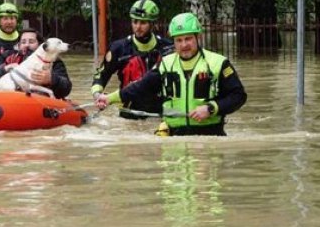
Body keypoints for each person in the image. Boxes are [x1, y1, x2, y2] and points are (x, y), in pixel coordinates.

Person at [95, 12, 247, 136]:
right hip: (173, 136)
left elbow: (239, 96)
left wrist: (211, 108)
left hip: (210, 135)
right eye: (179, 40)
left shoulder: (218, 63)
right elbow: (140, 87)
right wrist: (109, 98)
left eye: (188, 39)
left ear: (198, 37)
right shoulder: (165, 64)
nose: (184, 45)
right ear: (173, 42)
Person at [91, 0, 174, 116]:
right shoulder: (118, 48)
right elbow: (101, 75)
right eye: (135, 22)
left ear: (152, 24)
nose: (138, 27)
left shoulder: (167, 48)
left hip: (159, 113)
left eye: (143, 23)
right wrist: (98, 95)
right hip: (128, 112)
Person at [0, 29, 72, 99]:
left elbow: (66, 88)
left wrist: (52, 79)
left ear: (40, 45)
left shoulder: (54, 62)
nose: (27, 45)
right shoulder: (7, 56)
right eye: (23, 42)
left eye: (31, 41)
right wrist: (4, 68)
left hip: (37, 103)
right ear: (18, 45)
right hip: (5, 99)